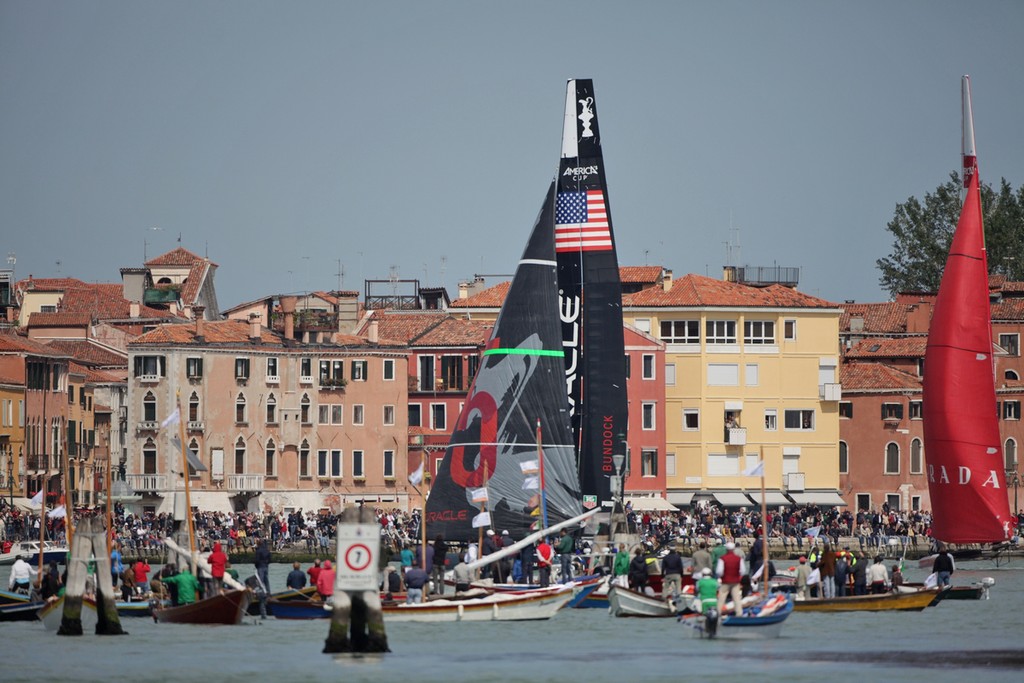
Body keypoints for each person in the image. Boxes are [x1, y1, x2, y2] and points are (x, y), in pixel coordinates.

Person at [716, 541, 745, 617]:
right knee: (737, 598)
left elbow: (719, 571)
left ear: (726, 549)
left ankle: (718, 613)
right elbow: (742, 571)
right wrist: (737, 575)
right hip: (735, 581)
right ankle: (739, 613)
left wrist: (722, 577)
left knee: (721, 598)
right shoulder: (739, 559)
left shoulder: (722, 558)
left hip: (725, 581)